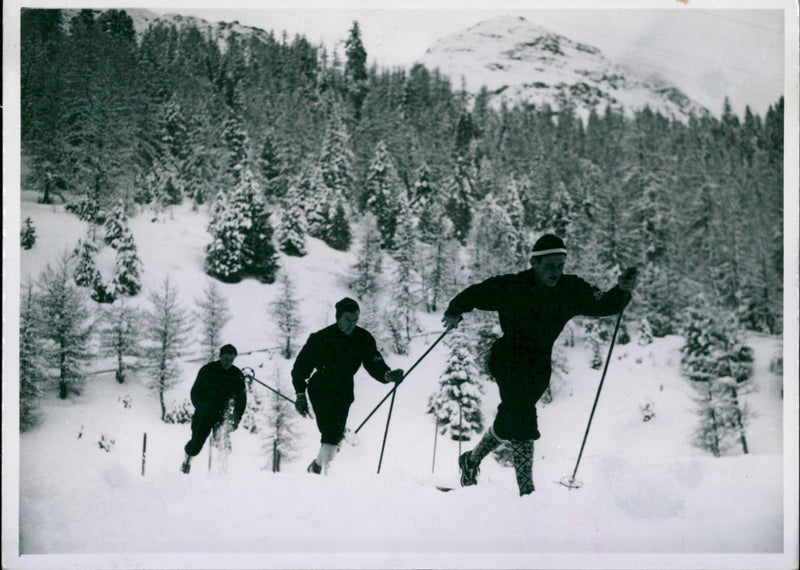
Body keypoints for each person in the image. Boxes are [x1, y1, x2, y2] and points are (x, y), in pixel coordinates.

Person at [441, 234, 637, 495]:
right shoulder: (512, 286)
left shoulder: (570, 289)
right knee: (522, 415)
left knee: (510, 420)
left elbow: (603, 303)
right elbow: (476, 293)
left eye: (560, 264)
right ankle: (527, 493)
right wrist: (454, 310)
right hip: (508, 358)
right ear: (534, 262)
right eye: (549, 265)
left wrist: (621, 290)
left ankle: (471, 460)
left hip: (539, 367)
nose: (556, 271)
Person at [292, 297, 404, 474]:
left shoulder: (363, 338)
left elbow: (373, 362)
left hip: (344, 390)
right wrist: (300, 395)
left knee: (333, 435)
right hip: (321, 387)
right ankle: (328, 477)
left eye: (355, 320)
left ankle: (316, 467)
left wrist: (387, 375)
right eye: (347, 319)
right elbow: (300, 369)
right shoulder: (320, 338)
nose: (352, 324)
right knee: (331, 433)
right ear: (338, 317)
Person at [181, 344, 247, 473]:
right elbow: (195, 392)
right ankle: (186, 464)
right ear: (220, 356)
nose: (228, 362)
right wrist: (201, 407)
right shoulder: (207, 370)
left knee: (223, 443)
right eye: (226, 359)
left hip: (223, 415)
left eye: (232, 360)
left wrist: (236, 417)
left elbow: (242, 400)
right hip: (204, 414)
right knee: (196, 443)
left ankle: (222, 472)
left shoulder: (237, 375)